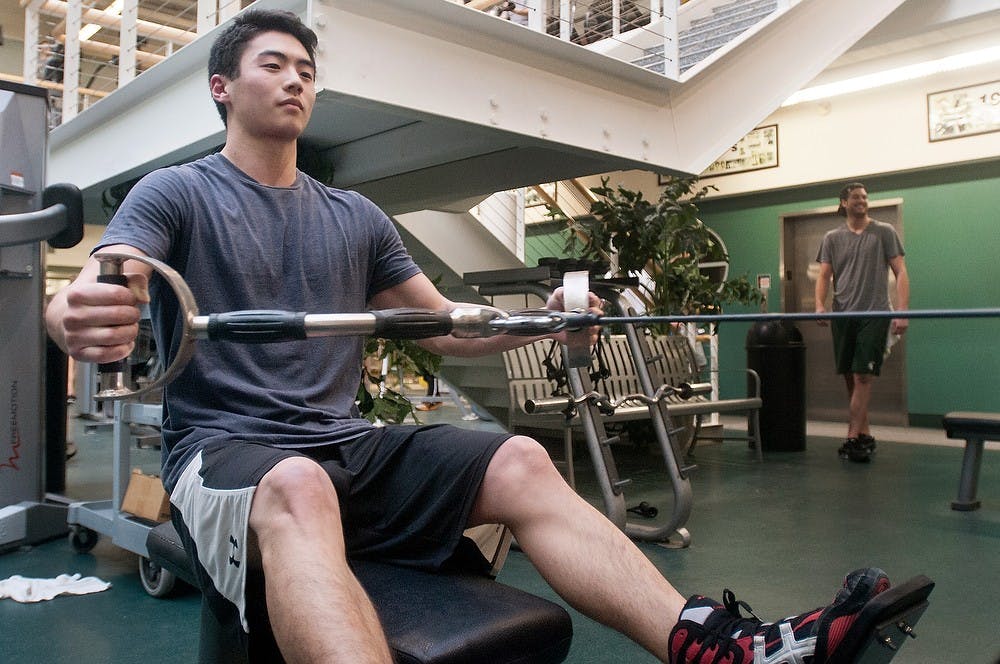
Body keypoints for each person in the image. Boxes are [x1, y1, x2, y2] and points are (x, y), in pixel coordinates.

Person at [46, 10, 898, 663]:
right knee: (300, 482)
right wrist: (76, 309)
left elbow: (445, 328)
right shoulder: (176, 193)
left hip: (346, 445)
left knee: (522, 459)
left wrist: (543, 323)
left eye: (307, 70)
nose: (296, 81)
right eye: (273, 65)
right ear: (223, 87)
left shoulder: (355, 216)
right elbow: (105, 279)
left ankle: (713, 645)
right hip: (227, 451)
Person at [815, 183, 910, 463]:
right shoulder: (832, 237)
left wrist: (902, 311)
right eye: (856, 197)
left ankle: (852, 437)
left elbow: (901, 271)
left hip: (875, 313)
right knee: (850, 375)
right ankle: (865, 432)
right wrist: (820, 305)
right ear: (843, 202)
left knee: (863, 376)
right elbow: (823, 276)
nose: (862, 201)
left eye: (866, 197)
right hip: (843, 315)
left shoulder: (884, 232)